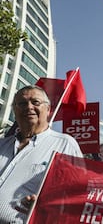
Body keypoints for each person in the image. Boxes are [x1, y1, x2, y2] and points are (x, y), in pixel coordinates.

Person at [0, 85, 83, 223]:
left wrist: (46, 206)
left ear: (48, 109)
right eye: (22, 103)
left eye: (35, 102)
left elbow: (77, 195)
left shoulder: (65, 144)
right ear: (14, 110)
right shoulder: (2, 144)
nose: (29, 107)